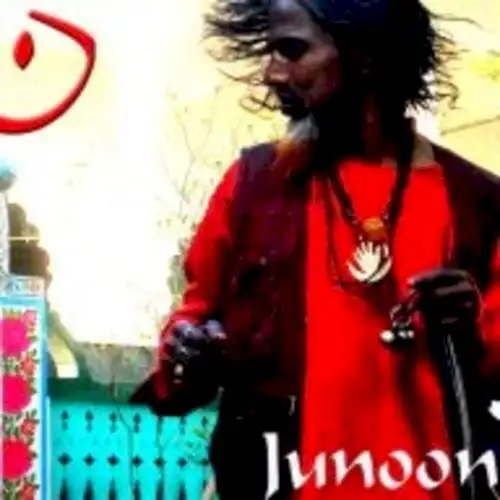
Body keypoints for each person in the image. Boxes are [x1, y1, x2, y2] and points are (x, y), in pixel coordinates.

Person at [131, 0, 500, 498]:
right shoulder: (253, 185)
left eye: (291, 50)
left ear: (364, 55)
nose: (272, 72)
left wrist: (469, 327)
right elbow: (194, 317)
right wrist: (186, 349)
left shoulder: (477, 201)